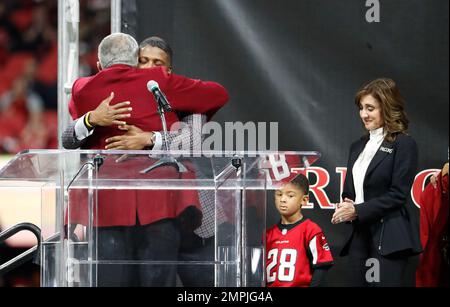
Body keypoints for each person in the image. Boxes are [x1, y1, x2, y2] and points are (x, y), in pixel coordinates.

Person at [66, 33, 229, 287]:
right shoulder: (115, 95)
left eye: (158, 63)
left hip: (183, 217)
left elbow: (195, 141)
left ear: (169, 70)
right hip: (120, 211)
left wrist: (149, 139)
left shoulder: (177, 95)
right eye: (144, 60)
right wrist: (91, 119)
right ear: (133, 62)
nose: (151, 68)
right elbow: (69, 137)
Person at [332, 78, 422, 287]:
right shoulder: (357, 146)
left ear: (387, 108)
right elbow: (351, 192)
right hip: (359, 237)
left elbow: (397, 195)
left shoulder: (404, 144)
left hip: (388, 236)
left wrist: (357, 210)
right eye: (361, 108)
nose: (364, 114)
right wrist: (345, 206)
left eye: (370, 108)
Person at [266, 174, 334, 287]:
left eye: (290, 195)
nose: (282, 199)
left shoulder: (311, 230)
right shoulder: (268, 235)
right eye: (279, 194)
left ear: (304, 200)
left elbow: (322, 266)